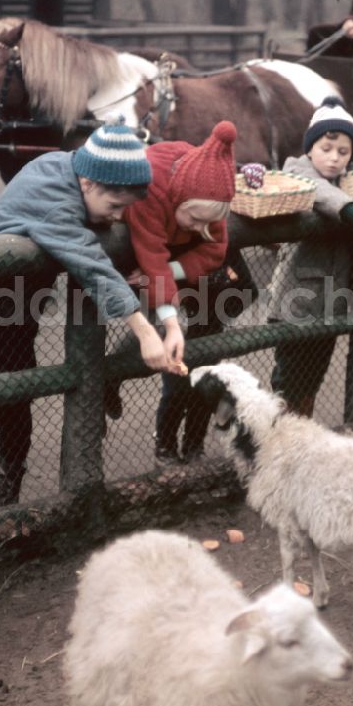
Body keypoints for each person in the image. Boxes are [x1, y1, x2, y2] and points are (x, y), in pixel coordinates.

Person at [0, 120, 179, 520]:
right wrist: (145, 331)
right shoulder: (55, 198)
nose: (117, 217)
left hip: (26, 293)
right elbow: (92, 265)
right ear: (89, 183)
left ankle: (8, 475)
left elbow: (103, 222)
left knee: (20, 383)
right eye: (115, 207)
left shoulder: (68, 166)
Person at [122, 120, 242, 463]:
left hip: (187, 277)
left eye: (211, 222)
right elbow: (151, 256)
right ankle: (110, 380)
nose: (202, 229)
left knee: (200, 359)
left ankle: (192, 445)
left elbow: (215, 250)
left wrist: (174, 269)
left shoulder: (211, 194)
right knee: (157, 337)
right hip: (144, 258)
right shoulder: (148, 190)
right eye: (195, 219)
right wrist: (170, 313)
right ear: (180, 198)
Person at [268, 97, 353, 416]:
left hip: (331, 304)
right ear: (310, 149)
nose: (334, 158)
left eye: (343, 152)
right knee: (288, 378)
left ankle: (301, 433)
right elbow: (321, 192)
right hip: (296, 303)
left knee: (313, 378)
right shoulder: (297, 170)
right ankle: (278, 435)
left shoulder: (347, 181)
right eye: (326, 149)